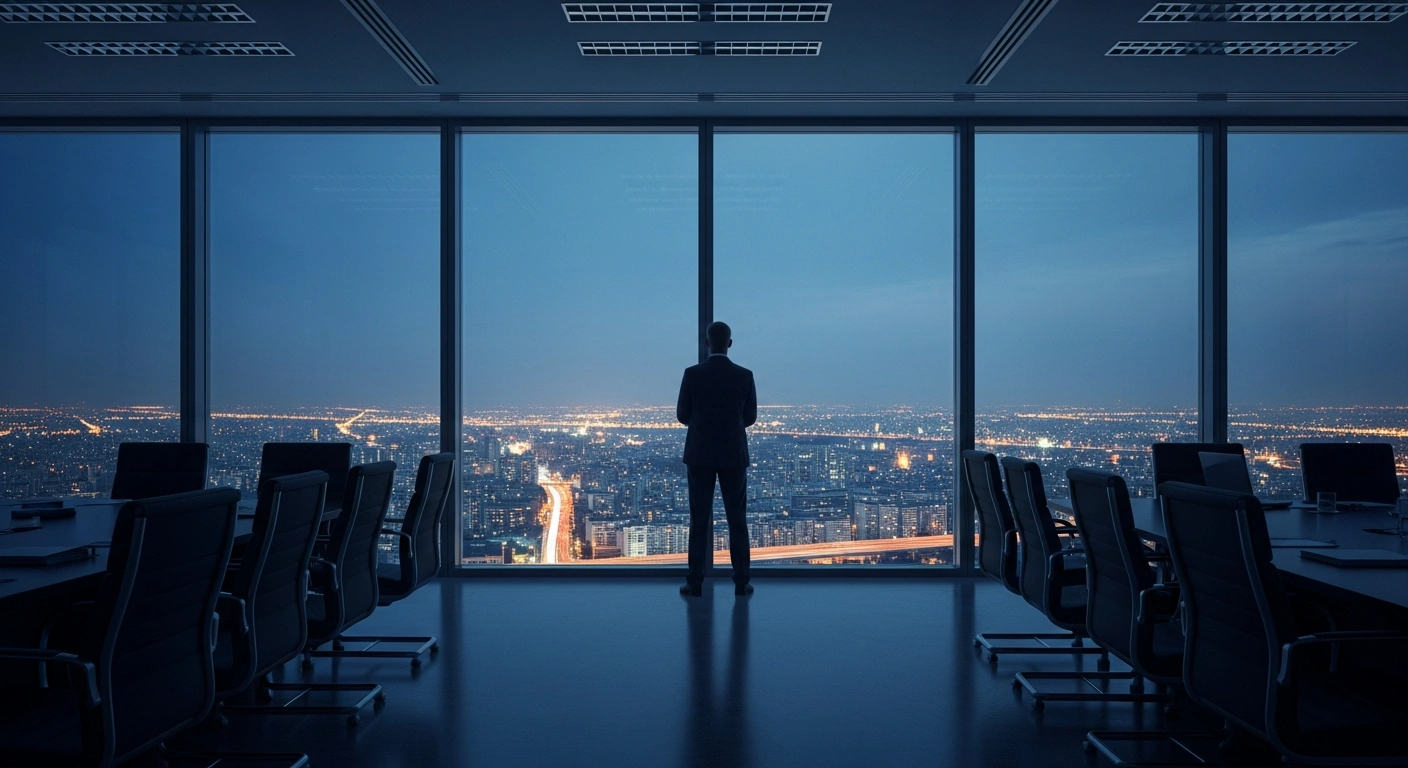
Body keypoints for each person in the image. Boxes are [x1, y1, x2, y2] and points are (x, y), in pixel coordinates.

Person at [676, 321, 758, 597]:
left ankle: (695, 581)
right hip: (733, 454)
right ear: (730, 343)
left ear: (707, 343)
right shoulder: (744, 375)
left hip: (699, 454)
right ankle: (742, 582)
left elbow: (682, 415)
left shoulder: (692, 374)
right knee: (737, 520)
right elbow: (750, 417)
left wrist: (702, 423)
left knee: (699, 519)